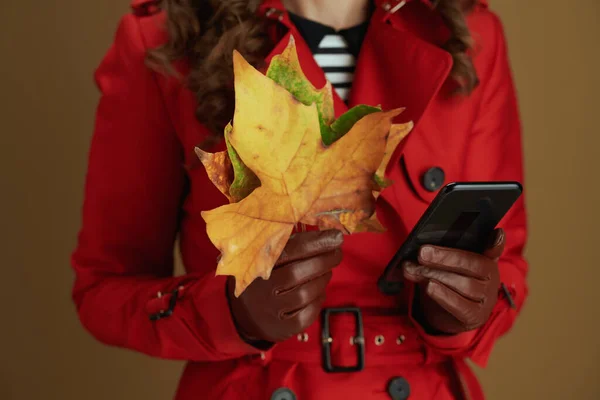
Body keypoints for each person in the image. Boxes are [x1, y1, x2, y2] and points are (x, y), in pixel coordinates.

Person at [71, 0, 528, 399]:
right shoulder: (164, 39)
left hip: (422, 381)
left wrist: (462, 309)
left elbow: (510, 267)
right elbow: (104, 291)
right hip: (256, 383)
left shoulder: (467, 33)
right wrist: (231, 312)